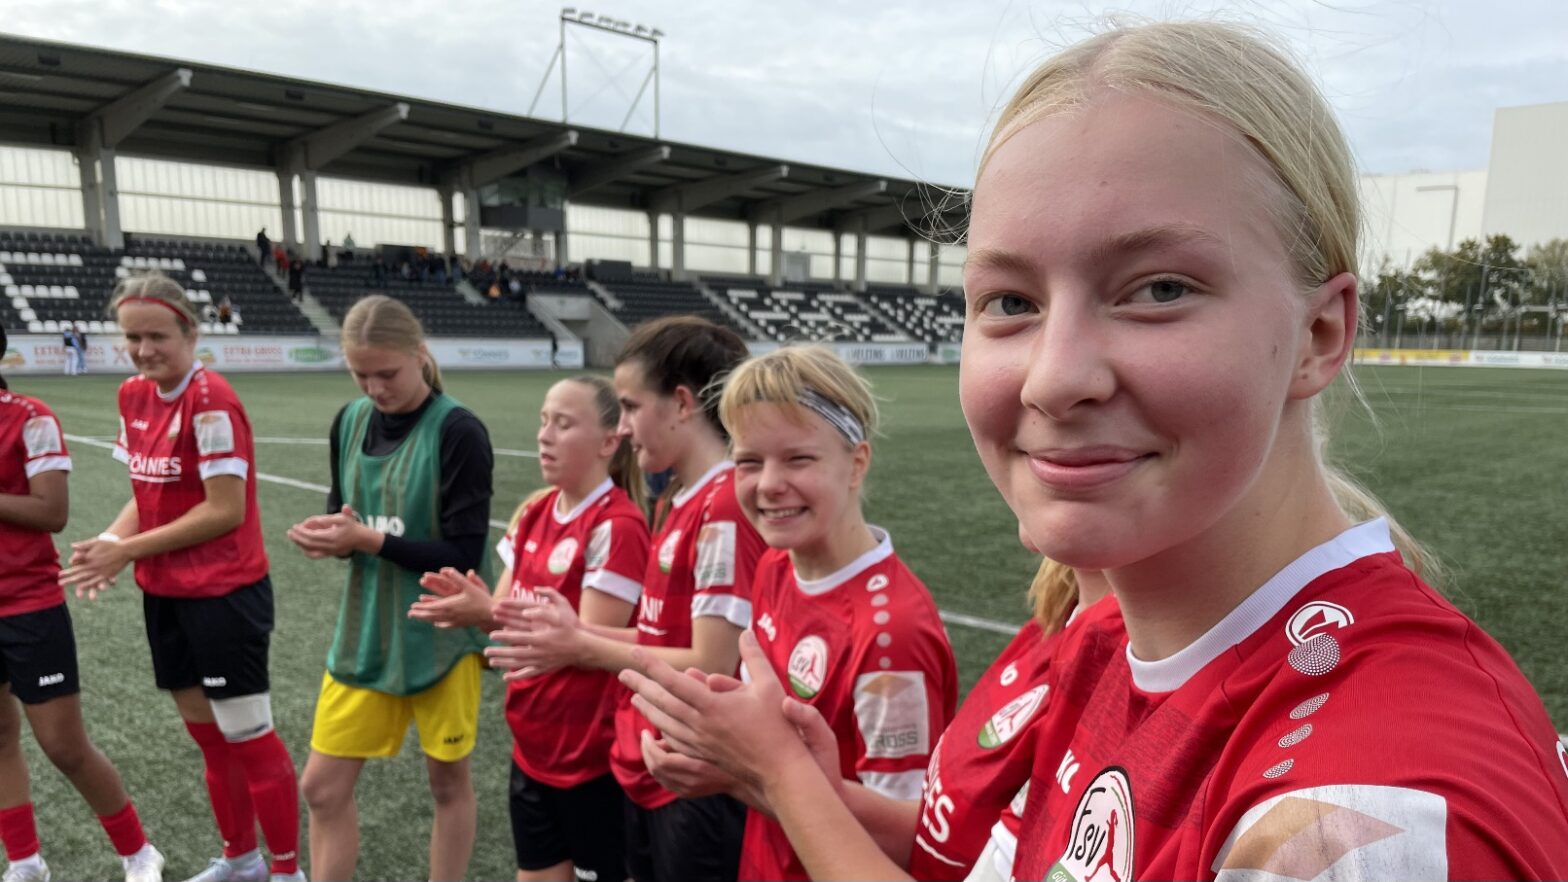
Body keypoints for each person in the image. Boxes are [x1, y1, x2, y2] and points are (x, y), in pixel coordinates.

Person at [625, 18, 1568, 881]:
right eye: (1010, 303)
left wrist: (787, 778)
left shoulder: (1363, 820)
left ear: (1321, 334)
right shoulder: (1108, 636)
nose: (1050, 377)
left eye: (1158, 288)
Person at [487, 315, 766, 882]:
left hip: (694, 776)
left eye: (632, 406)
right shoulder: (679, 500)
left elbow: (709, 663)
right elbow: (665, 640)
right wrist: (571, 635)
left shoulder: (722, 510)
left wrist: (581, 647)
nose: (626, 426)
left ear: (682, 404)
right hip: (656, 768)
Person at [58, 272, 301, 882]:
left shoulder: (212, 399)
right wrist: (114, 541)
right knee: (211, 741)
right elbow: (149, 490)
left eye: (157, 336)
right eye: (132, 337)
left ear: (190, 331)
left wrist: (127, 550)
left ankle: (288, 870)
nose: (143, 350)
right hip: (165, 596)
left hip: (224, 596)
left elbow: (224, 510)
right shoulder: (133, 395)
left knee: (248, 738)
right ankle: (241, 858)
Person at [714, 345, 960, 881]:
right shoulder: (776, 565)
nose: (768, 483)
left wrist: (731, 770)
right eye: (748, 462)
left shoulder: (891, 634)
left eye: (798, 459)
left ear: (857, 463)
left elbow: (901, 837)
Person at [285, 294, 493, 882]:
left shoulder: (458, 431)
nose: (375, 388)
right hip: (366, 635)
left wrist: (367, 540)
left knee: (447, 783)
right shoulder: (348, 422)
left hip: (441, 637)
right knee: (322, 789)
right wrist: (329, 532)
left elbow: (463, 553)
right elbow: (344, 509)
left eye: (387, 373)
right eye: (360, 374)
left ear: (420, 356)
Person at [410, 375, 650, 882]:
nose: (544, 435)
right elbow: (505, 616)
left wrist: (486, 613)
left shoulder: (617, 526)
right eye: (544, 421)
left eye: (563, 424)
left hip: (591, 756)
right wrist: (477, 608)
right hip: (534, 745)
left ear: (610, 442)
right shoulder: (535, 511)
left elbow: (583, 647)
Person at [0, 325, 165, 882]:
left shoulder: (29, 417)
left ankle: (139, 852)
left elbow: (51, 510)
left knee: (63, 746)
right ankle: (24, 860)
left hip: (25, 604)